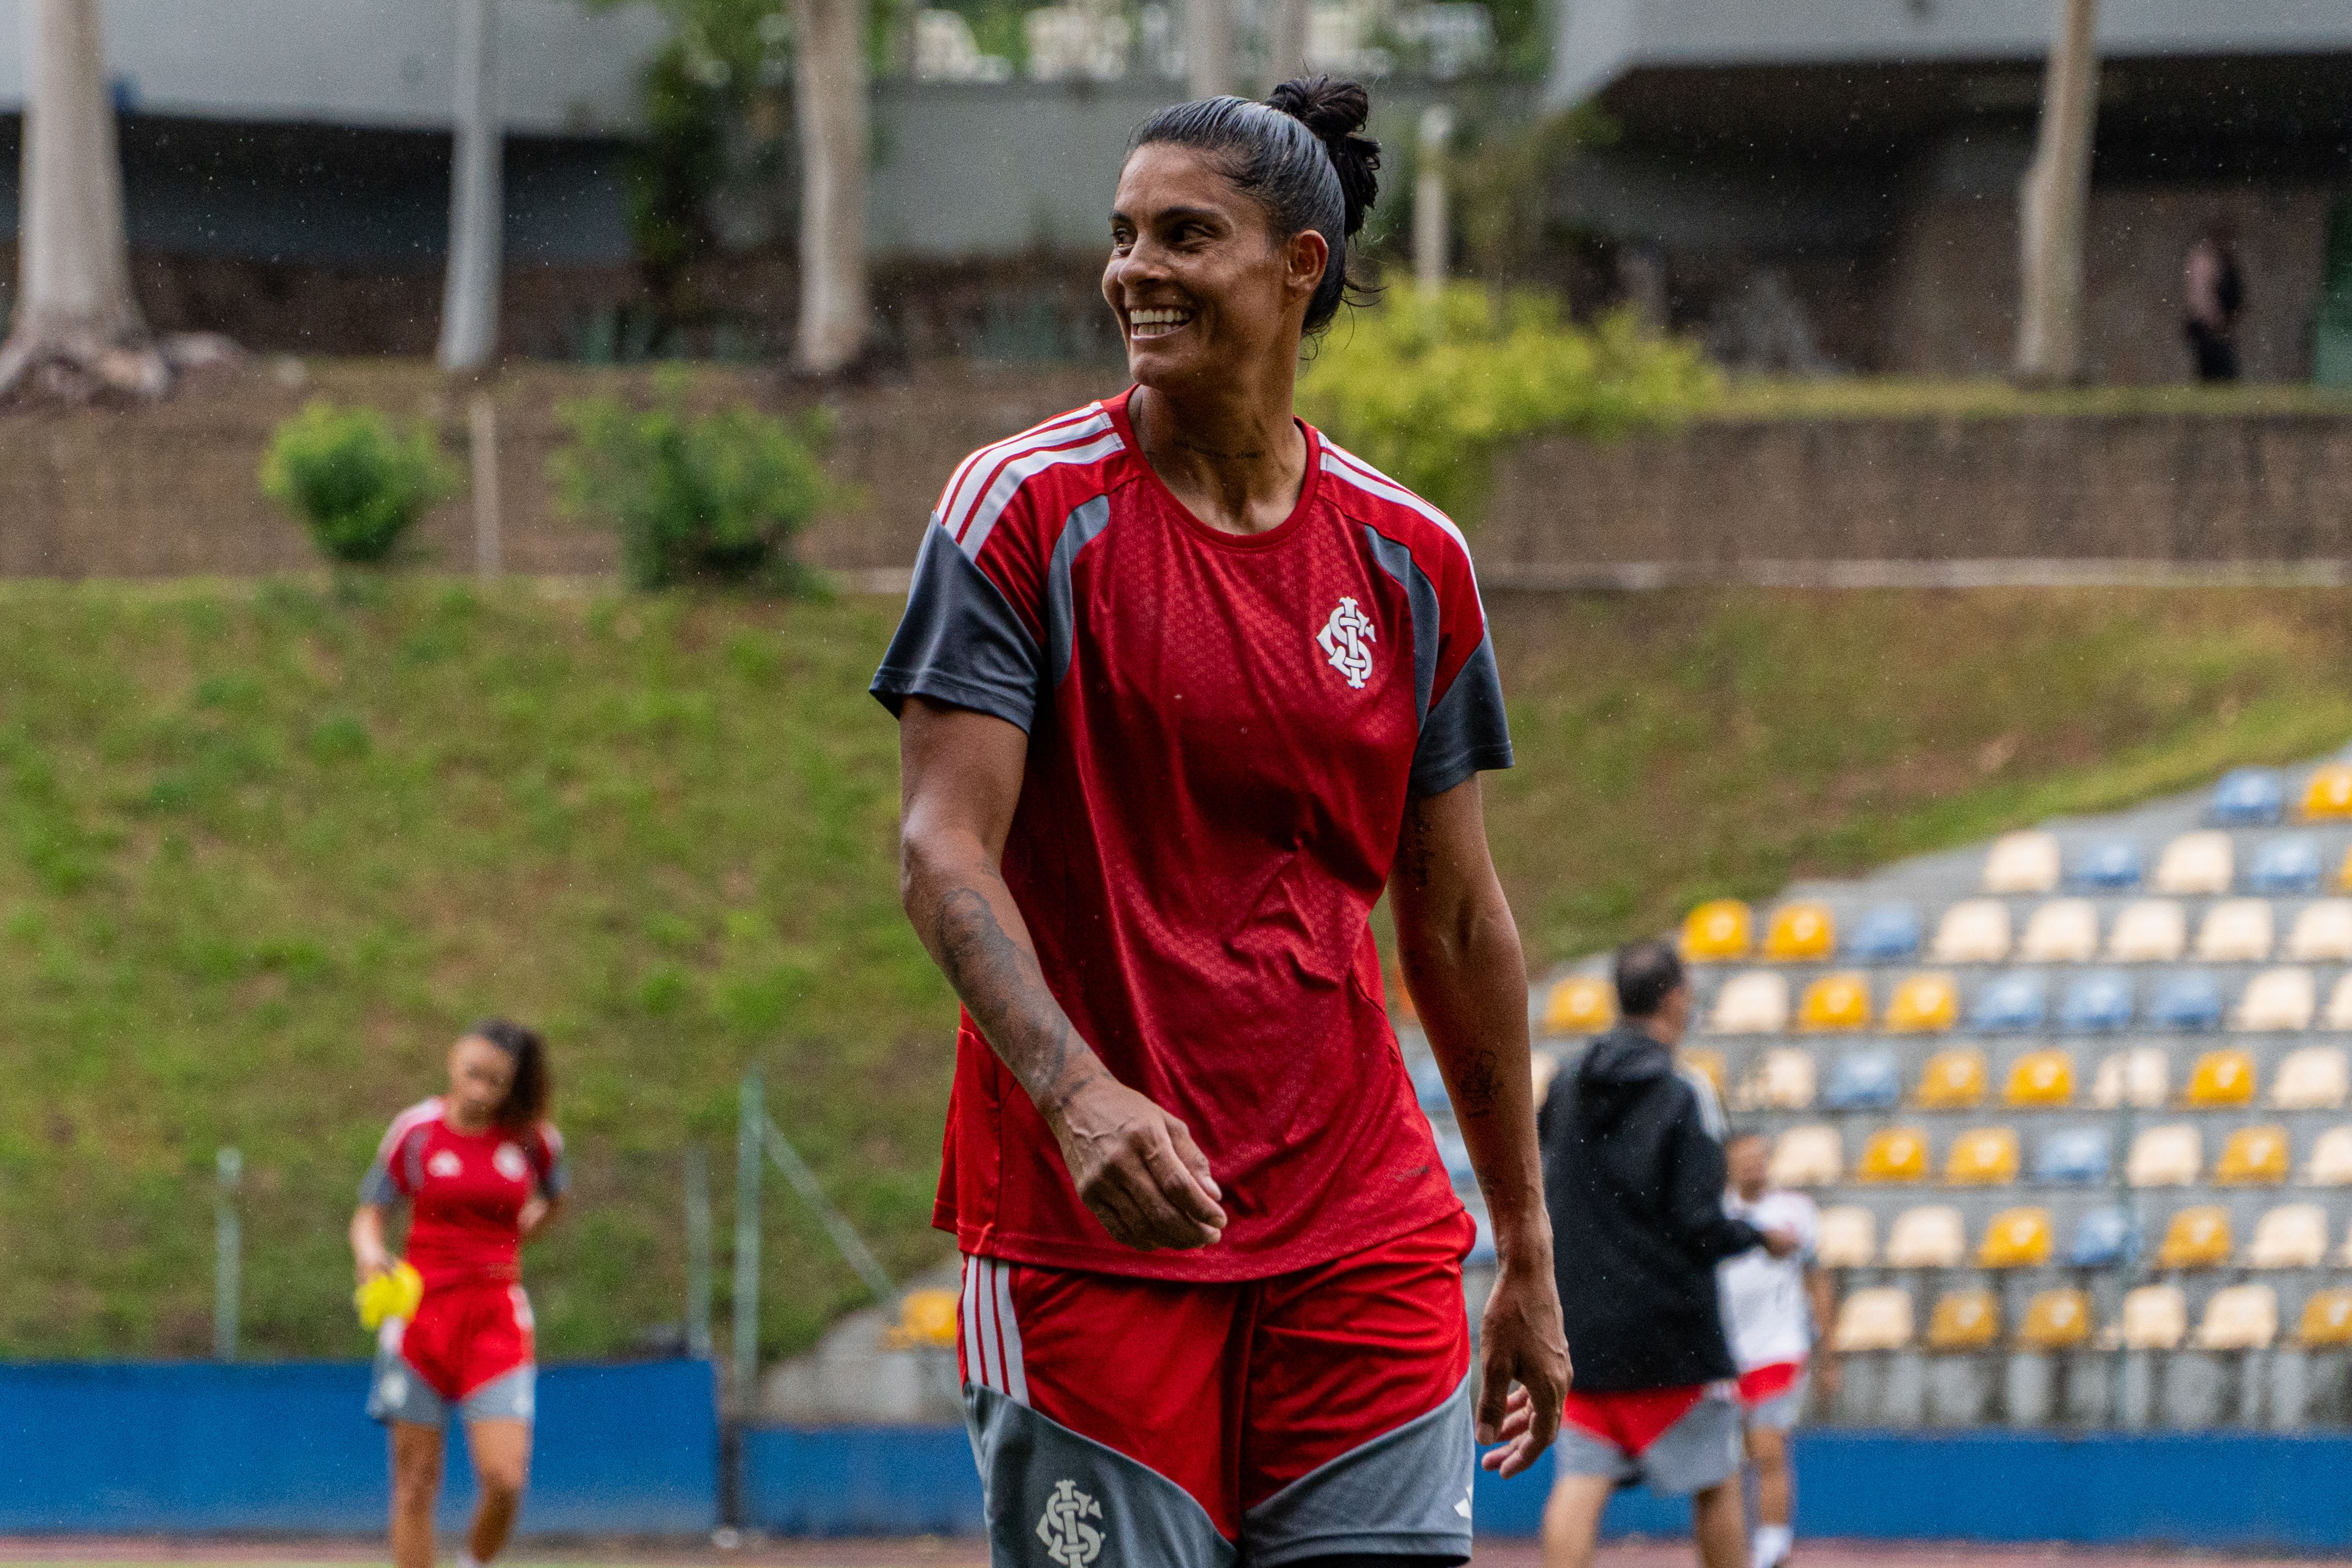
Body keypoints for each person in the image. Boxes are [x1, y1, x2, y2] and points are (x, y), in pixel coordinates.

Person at [874, 75, 1570, 1568]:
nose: (1133, 271)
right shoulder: (1018, 510)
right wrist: (1079, 1099)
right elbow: (941, 851)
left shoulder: (1411, 561)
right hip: (1093, 1244)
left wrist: (1527, 1252)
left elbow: (1453, 922)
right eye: (1123, 236)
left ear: (1297, 266)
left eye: (1183, 236)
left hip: (1364, 1234)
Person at [1538, 942, 1797, 1568]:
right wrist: (1762, 1236)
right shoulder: (1685, 1090)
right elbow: (1699, 1222)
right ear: (1676, 996)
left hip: (1584, 1321)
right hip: (1672, 1331)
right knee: (1716, 1478)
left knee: (1580, 1480)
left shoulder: (1567, 1082)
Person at [351, 1021, 566, 1568]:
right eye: (473, 1073)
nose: (480, 1090)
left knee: (505, 1478)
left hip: (496, 1318)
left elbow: (555, 1198)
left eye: (496, 1082)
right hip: (421, 1318)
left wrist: (521, 1234)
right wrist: (370, 1253)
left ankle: (474, 1562)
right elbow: (370, 1213)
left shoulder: (532, 1138)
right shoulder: (415, 1131)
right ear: (453, 1061)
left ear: (512, 1086)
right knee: (415, 1484)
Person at [1719, 1129, 1834, 1568]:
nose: (1753, 1166)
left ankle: (1771, 1547)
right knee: (1727, 1462)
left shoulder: (1795, 1212)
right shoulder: (1716, 1214)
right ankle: (1738, 1547)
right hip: (1725, 1356)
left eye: (1759, 1158)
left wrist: (1827, 1349)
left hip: (1779, 1348)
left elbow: (1816, 1280)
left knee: (1768, 1448)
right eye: (1744, 1159)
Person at [2183, 221, 2245, 384]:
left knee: (2217, 371)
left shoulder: (2221, 261)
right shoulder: (2205, 261)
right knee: (2218, 370)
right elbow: (2201, 297)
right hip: (2210, 327)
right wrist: (2215, 322)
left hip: (2216, 326)